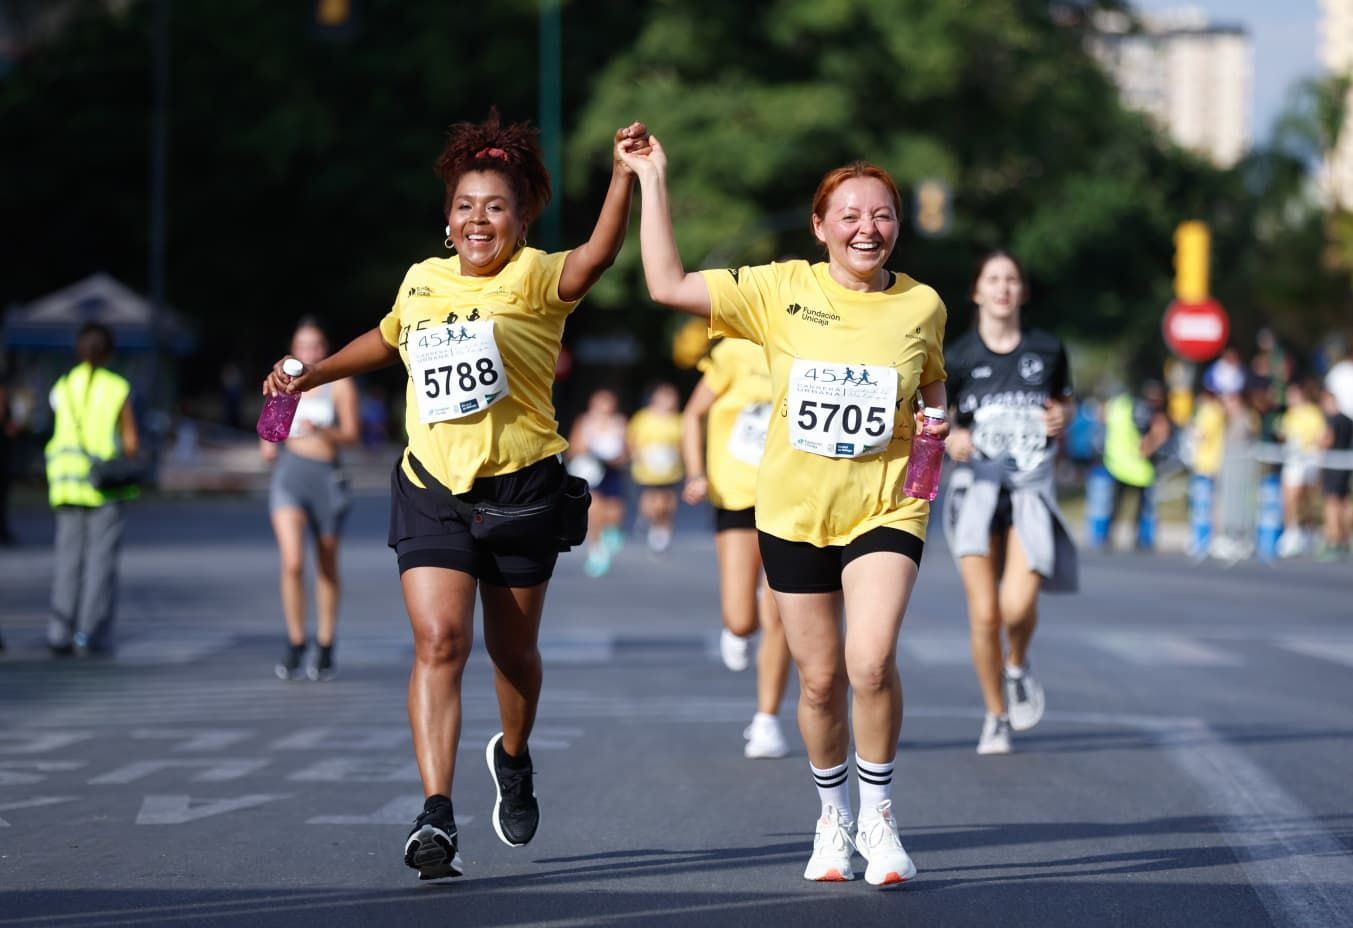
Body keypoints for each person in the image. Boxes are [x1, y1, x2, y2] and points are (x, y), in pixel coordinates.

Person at [264, 112, 645, 881]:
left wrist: (622, 176)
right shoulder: (421, 279)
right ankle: (435, 815)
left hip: (522, 490)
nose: (478, 219)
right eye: (465, 205)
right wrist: (314, 375)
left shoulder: (536, 276)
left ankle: (514, 756)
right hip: (431, 485)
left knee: (513, 654)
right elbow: (388, 337)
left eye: (496, 207)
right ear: (447, 219)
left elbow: (599, 255)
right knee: (440, 641)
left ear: (521, 221)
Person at [620, 136, 947, 888]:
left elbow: (931, 380)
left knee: (870, 661)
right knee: (821, 682)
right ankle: (832, 817)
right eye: (849, 215)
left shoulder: (922, 303)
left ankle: (879, 815)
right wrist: (653, 180)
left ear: (898, 225)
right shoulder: (777, 289)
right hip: (792, 513)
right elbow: (666, 284)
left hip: (886, 508)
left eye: (883, 215)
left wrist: (935, 431)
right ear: (819, 226)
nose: (867, 228)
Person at [941, 251, 1077, 756]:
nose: (1002, 288)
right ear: (977, 291)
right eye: (993, 279)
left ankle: (1017, 663)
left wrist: (1062, 417)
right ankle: (996, 715)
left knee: (1016, 607)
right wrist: (951, 436)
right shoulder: (957, 356)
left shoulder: (1047, 348)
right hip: (975, 492)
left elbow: (1064, 402)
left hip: (1028, 492)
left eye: (1011, 280)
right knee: (984, 615)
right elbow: (934, 417)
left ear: (1022, 291)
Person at [681, 336, 791, 758]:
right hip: (736, 496)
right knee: (742, 619)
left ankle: (767, 720)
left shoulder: (806, 347)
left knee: (778, 615)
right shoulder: (733, 353)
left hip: (789, 497)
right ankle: (739, 627)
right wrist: (696, 472)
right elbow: (693, 414)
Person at [261, 317, 360, 681]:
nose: (310, 351)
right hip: (290, 476)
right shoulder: (284, 384)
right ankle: (295, 640)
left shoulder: (340, 384)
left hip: (326, 478)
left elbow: (353, 435)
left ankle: (326, 642)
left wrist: (323, 430)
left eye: (316, 345)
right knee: (292, 562)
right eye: (303, 345)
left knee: (326, 563)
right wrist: (268, 443)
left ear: (324, 348)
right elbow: (268, 433)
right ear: (293, 350)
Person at [45, 322, 140, 656]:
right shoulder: (117, 388)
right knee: (100, 561)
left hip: (66, 485)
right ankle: (88, 633)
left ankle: (59, 631)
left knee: (67, 560)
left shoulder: (63, 386)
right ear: (110, 352)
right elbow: (131, 442)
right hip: (104, 486)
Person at [1101, 380, 1172, 551]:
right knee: (1139, 507)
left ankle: (1109, 536)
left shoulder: (1119, 407)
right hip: (1139, 468)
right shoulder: (1143, 411)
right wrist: (1151, 445)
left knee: (1117, 504)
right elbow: (1149, 441)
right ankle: (1139, 539)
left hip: (1118, 465)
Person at [566, 387, 629, 576]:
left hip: (612, 471)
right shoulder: (584, 421)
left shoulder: (620, 422)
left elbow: (628, 451)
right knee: (595, 511)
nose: (605, 406)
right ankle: (595, 549)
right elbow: (573, 448)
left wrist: (618, 457)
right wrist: (588, 448)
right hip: (592, 471)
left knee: (615, 511)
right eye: (601, 401)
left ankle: (611, 533)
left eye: (608, 402)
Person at [628, 381, 683, 553]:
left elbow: (682, 442)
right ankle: (649, 520)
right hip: (648, 469)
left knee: (668, 502)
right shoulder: (643, 418)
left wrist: (677, 456)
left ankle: (663, 531)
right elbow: (632, 439)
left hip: (671, 469)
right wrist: (638, 455)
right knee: (653, 500)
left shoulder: (677, 420)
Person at [1274, 378, 1326, 558]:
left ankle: (1309, 531)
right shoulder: (1289, 414)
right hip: (1292, 459)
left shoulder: (1313, 413)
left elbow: (1320, 436)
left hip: (1308, 460)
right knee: (1289, 496)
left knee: (1306, 498)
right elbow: (1285, 434)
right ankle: (1292, 531)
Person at [1319, 386, 1352, 560]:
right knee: (1344, 503)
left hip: (1332, 465)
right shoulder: (1348, 420)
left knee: (1332, 504)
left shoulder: (1332, 420)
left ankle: (1334, 540)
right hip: (1345, 466)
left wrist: (1318, 443)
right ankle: (1346, 538)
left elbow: (1327, 441)